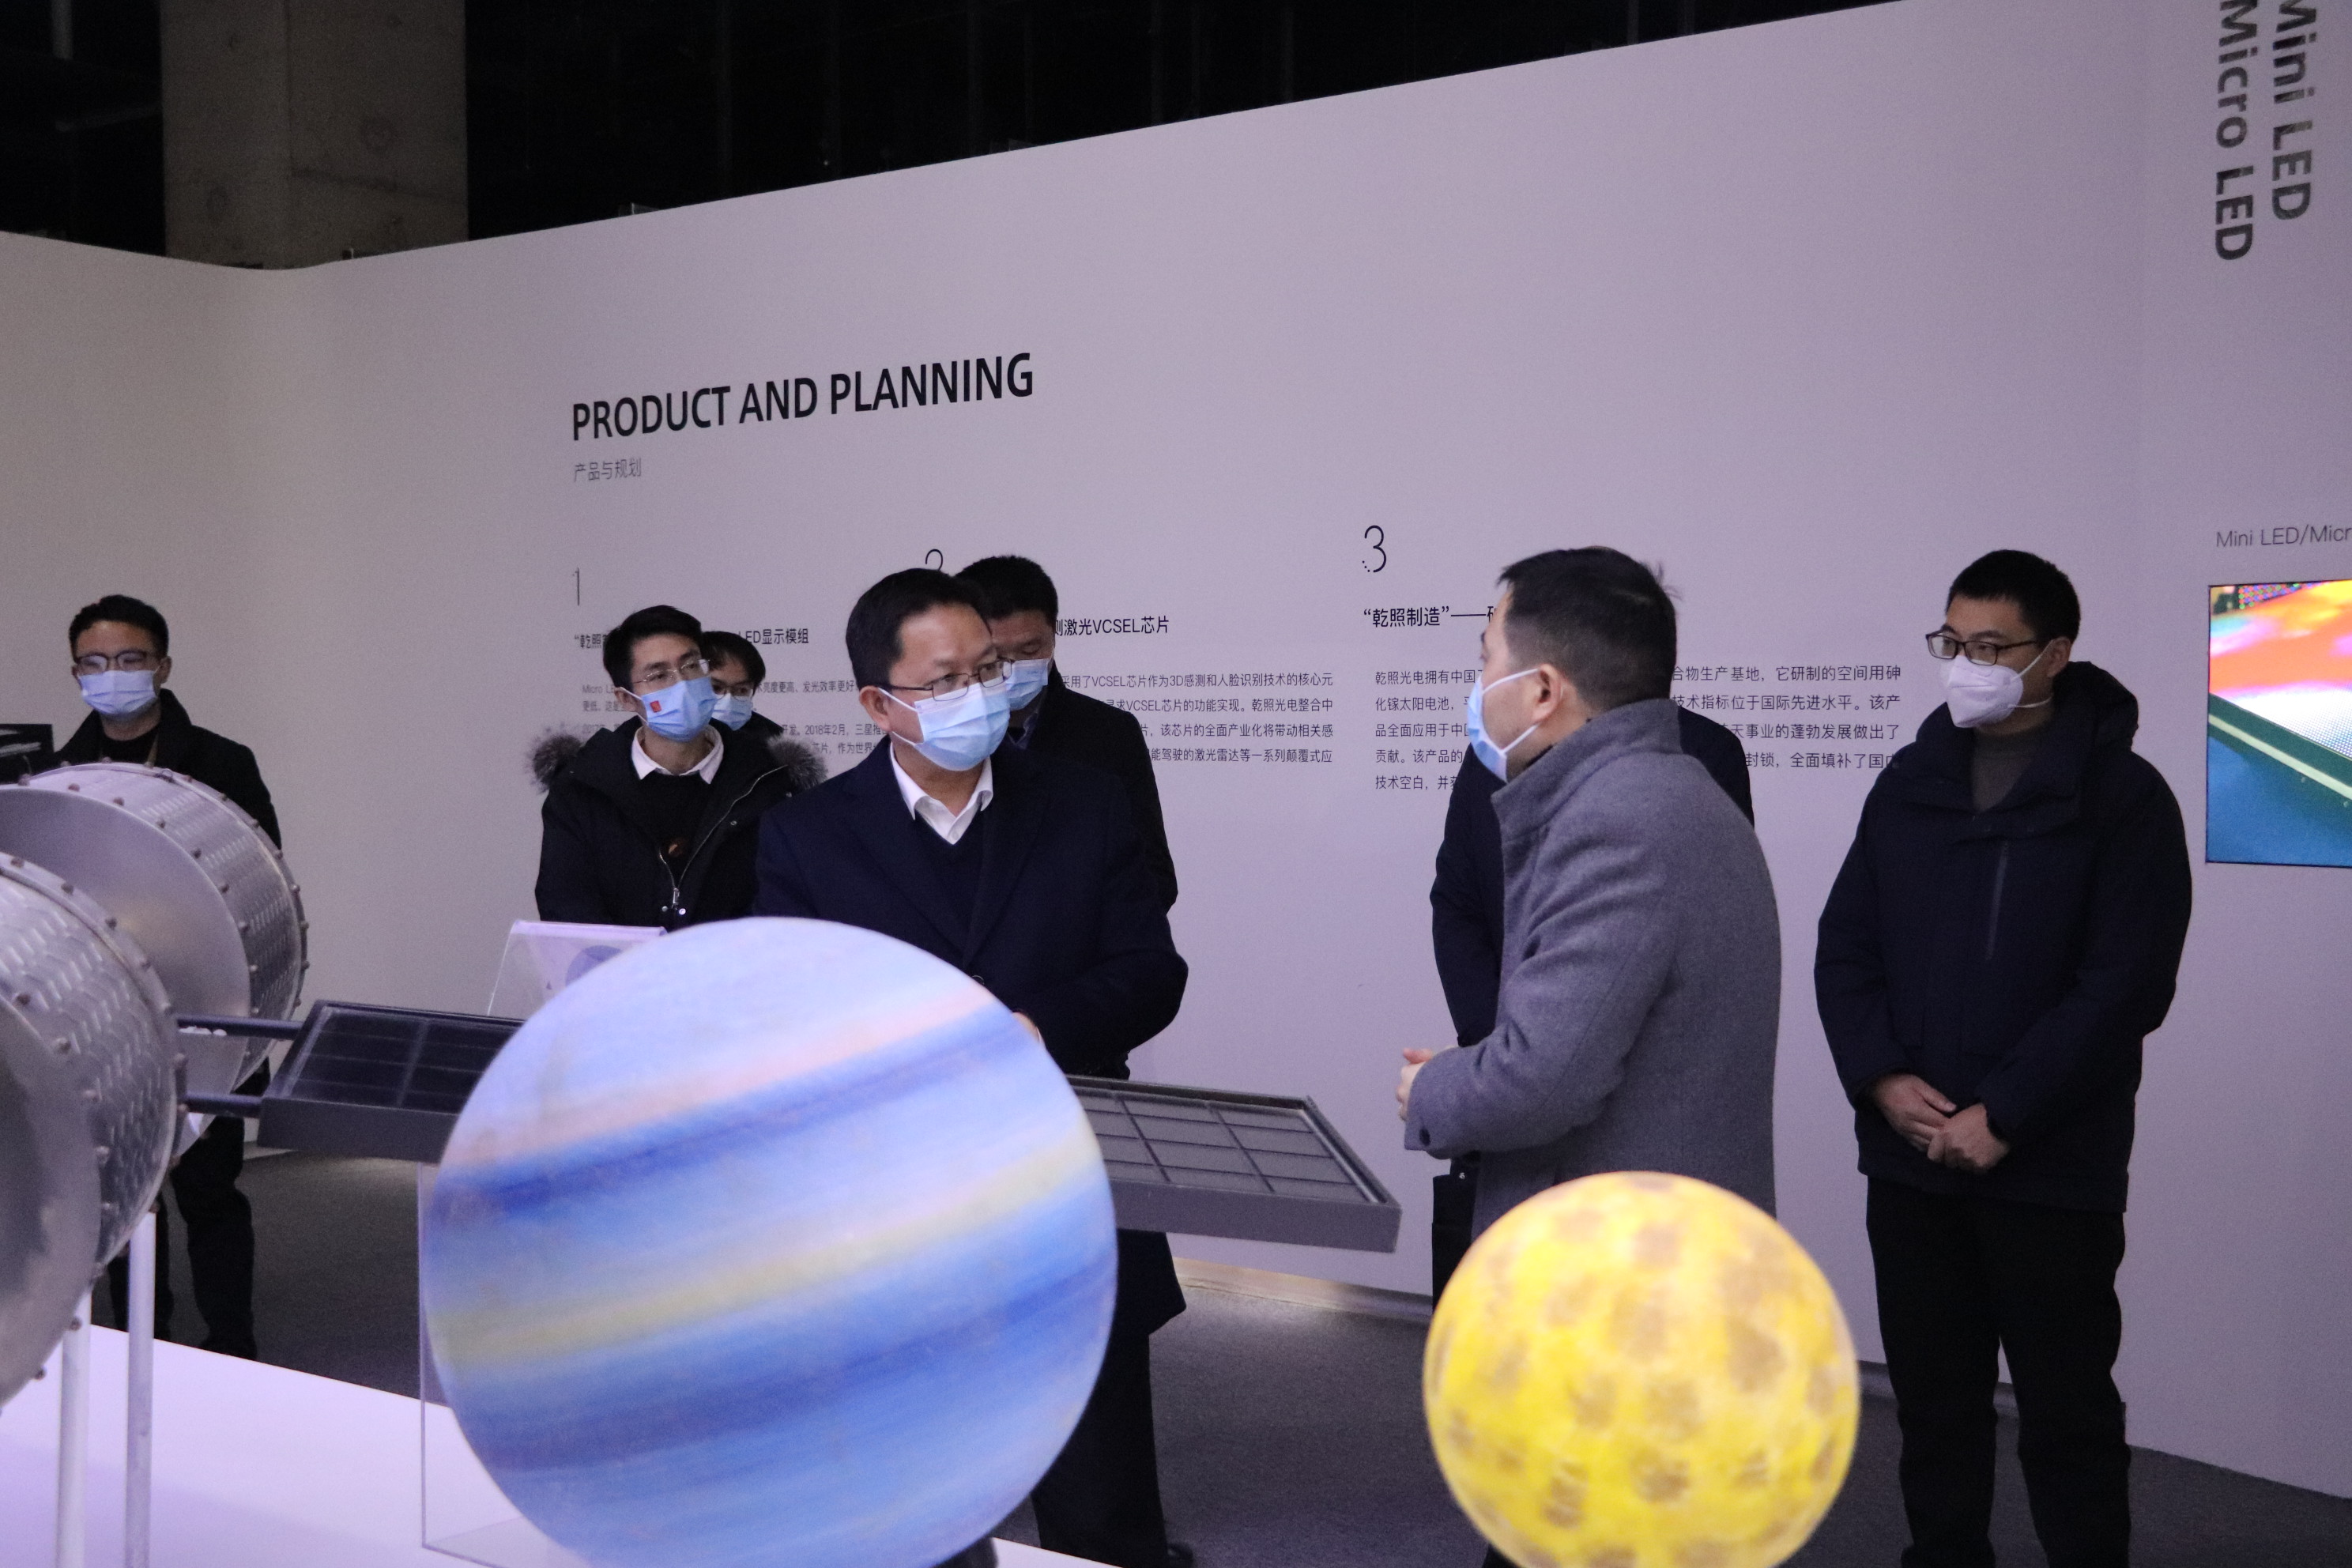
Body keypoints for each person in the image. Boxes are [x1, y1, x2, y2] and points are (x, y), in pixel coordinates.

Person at [756, 569, 1190, 1568]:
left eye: (988, 668)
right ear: (880, 704)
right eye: (946, 679)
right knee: (914, 1497)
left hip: (1066, 1177)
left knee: (1100, 1501)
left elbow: (1151, 971)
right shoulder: (809, 837)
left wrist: (1041, 1025)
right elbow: (785, 1013)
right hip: (893, 1209)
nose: (980, 693)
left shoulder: (1083, 802)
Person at [1816, 550, 2191, 1568]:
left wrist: (2007, 1112)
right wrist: (1883, 1080)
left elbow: (2125, 986)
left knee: (2066, 1413)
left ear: (2054, 654)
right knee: (1934, 1407)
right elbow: (1847, 948)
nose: (1965, 666)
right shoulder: (1910, 782)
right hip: (1910, 1158)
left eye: (1990, 647)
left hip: (2050, 1167)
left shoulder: (2123, 798)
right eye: (1952, 642)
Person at [1396, 547, 1781, 1239]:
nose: (1479, 686)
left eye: (1487, 660)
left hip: (1618, 1256)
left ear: (1543, 690)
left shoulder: (1617, 821)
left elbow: (1542, 1082)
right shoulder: (1666, 791)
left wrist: (1434, 1089)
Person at [1426, 675, 1755, 1291]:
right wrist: (1499, 1047)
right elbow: (1458, 902)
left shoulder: (1697, 759)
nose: (1484, 677)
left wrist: (1455, 1085)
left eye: (1493, 653)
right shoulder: (1491, 756)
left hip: (1641, 1153)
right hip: (1518, 1102)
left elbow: (1682, 941)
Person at [58, 594, 277, 1358]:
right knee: (125, 1198)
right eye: (94, 663)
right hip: (110, 1018)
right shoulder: (61, 771)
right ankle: (140, 1345)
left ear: (162, 666)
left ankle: (232, 1347)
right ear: (75, 672)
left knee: (210, 1190)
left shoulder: (221, 762)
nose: (111, 675)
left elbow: (260, 880)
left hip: (210, 1007)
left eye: (129, 660)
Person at [533, 605, 820, 929]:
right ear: (626, 699)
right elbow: (567, 911)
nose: (682, 683)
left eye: (691, 666)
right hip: (624, 962)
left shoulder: (767, 781)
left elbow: (785, 908)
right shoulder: (582, 788)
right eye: (659, 675)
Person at [955, 554, 1178, 908]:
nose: (1013, 669)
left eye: (1031, 649)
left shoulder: (1109, 733)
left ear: (1054, 635)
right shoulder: (937, 733)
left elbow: (1154, 878)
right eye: (995, 657)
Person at [702, 628, 786, 745]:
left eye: (742, 690)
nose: (728, 702)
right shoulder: (675, 740)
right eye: (715, 688)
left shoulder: (775, 746)